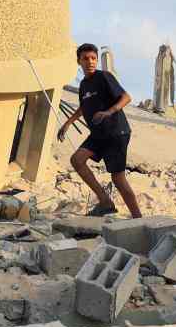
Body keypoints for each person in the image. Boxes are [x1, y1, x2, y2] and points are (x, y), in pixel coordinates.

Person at [58, 43, 142, 218]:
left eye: (93, 58)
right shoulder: (83, 85)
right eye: (86, 58)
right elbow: (84, 106)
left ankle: (138, 218)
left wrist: (109, 111)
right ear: (79, 61)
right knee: (77, 160)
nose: (90, 62)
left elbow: (126, 97)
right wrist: (68, 123)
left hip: (115, 132)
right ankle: (105, 201)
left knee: (118, 179)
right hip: (98, 134)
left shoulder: (104, 76)